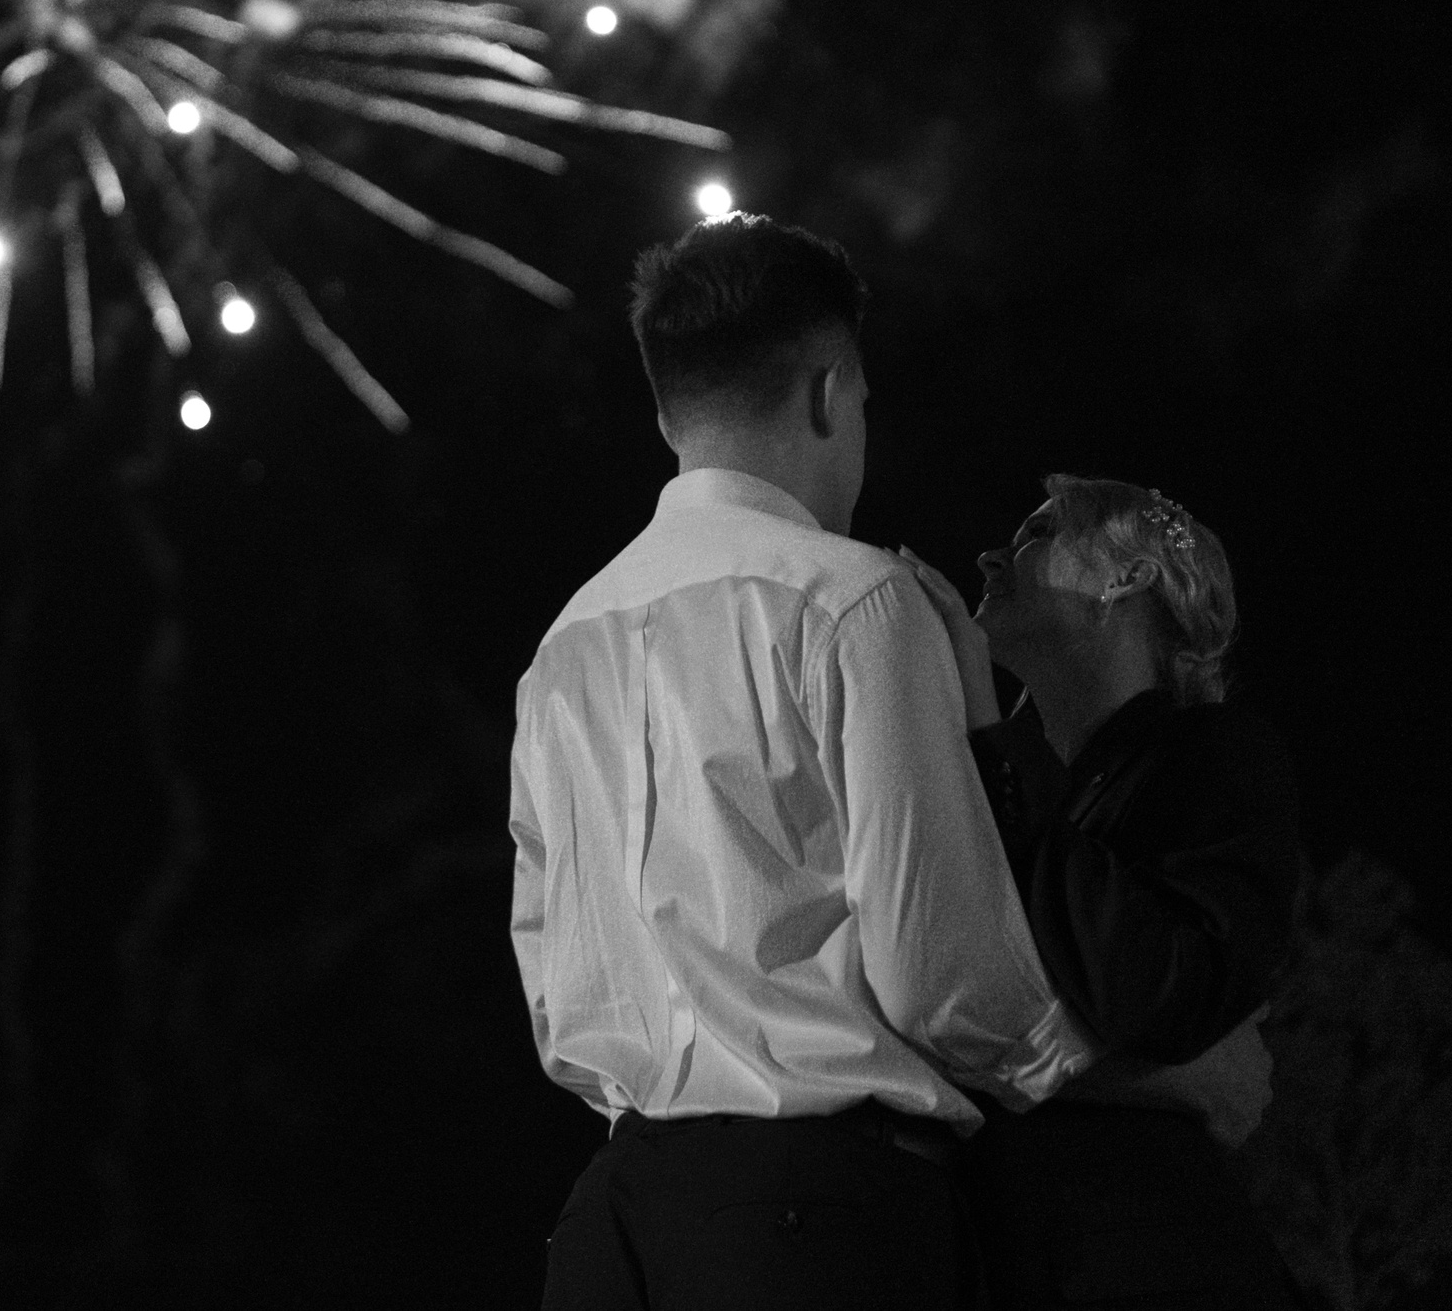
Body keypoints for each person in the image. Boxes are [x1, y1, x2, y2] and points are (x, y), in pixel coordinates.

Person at [509, 217, 1098, 1311]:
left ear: (664, 409)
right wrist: (1083, 1060)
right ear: (828, 389)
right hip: (812, 1212)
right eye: (864, 401)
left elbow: (558, 992)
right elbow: (940, 969)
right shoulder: (853, 600)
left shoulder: (562, 652)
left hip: (611, 1228)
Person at [901, 477, 1302, 1309]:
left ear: (1128, 581)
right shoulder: (988, 783)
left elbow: (1164, 990)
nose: (990, 556)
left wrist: (987, 734)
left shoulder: (1211, 760)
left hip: (1147, 1259)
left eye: (1041, 531)